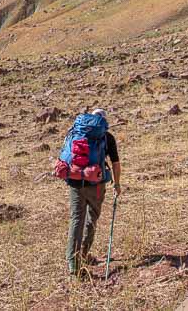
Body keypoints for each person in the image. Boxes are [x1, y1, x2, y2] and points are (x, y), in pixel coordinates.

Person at [66, 108, 121, 277]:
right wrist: (117, 184)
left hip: (75, 181)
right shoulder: (107, 136)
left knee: (76, 219)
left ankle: (73, 265)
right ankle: (83, 253)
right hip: (96, 184)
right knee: (92, 216)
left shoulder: (75, 132)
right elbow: (116, 163)